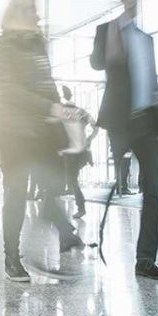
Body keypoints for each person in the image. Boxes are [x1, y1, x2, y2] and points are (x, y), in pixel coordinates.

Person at [0, 0, 83, 282]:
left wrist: (61, 112)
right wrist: (49, 107)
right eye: (32, 11)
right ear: (18, 13)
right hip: (14, 131)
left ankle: (64, 234)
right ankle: (12, 258)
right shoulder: (4, 46)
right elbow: (8, 90)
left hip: (40, 130)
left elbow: (47, 82)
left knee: (52, 184)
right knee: (17, 193)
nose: (38, 16)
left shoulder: (38, 44)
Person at [90, 0, 158, 281]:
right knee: (118, 183)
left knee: (152, 189)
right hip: (120, 121)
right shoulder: (107, 30)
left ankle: (145, 259)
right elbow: (97, 63)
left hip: (148, 120)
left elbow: (149, 78)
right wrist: (109, 46)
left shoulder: (145, 40)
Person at [60, 85, 97, 219]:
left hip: (68, 151)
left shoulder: (62, 112)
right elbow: (95, 125)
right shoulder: (81, 112)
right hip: (81, 151)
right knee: (72, 179)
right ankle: (80, 207)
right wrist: (89, 140)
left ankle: (80, 207)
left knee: (71, 180)